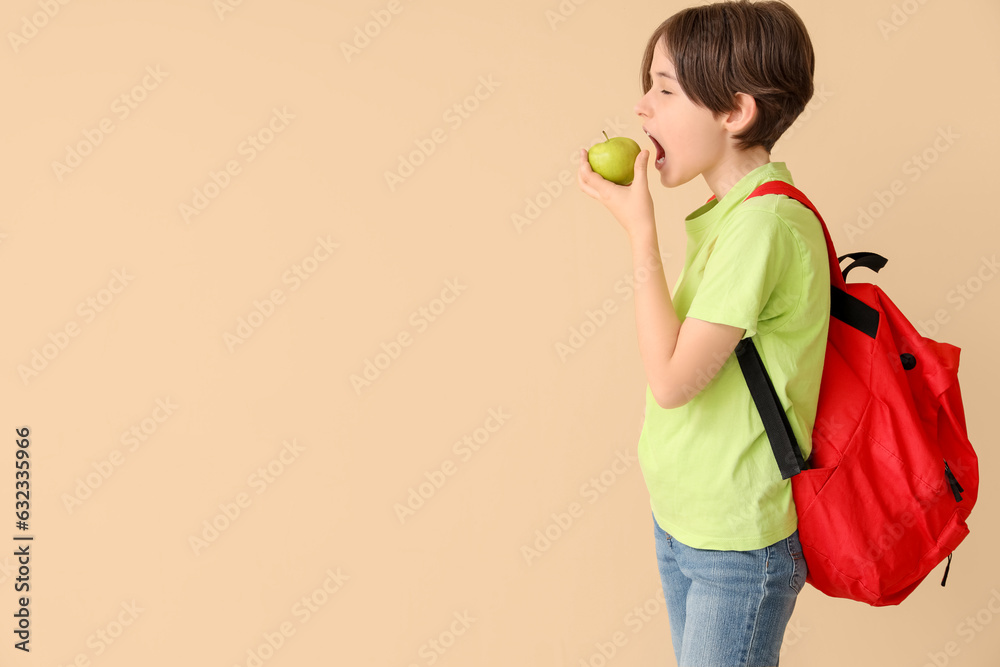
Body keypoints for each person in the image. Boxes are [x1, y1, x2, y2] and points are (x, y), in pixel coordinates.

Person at [577, 1, 829, 665]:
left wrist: (639, 232)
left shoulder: (764, 225)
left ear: (735, 112)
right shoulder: (731, 213)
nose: (641, 108)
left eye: (664, 89)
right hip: (687, 522)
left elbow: (671, 380)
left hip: (735, 544)